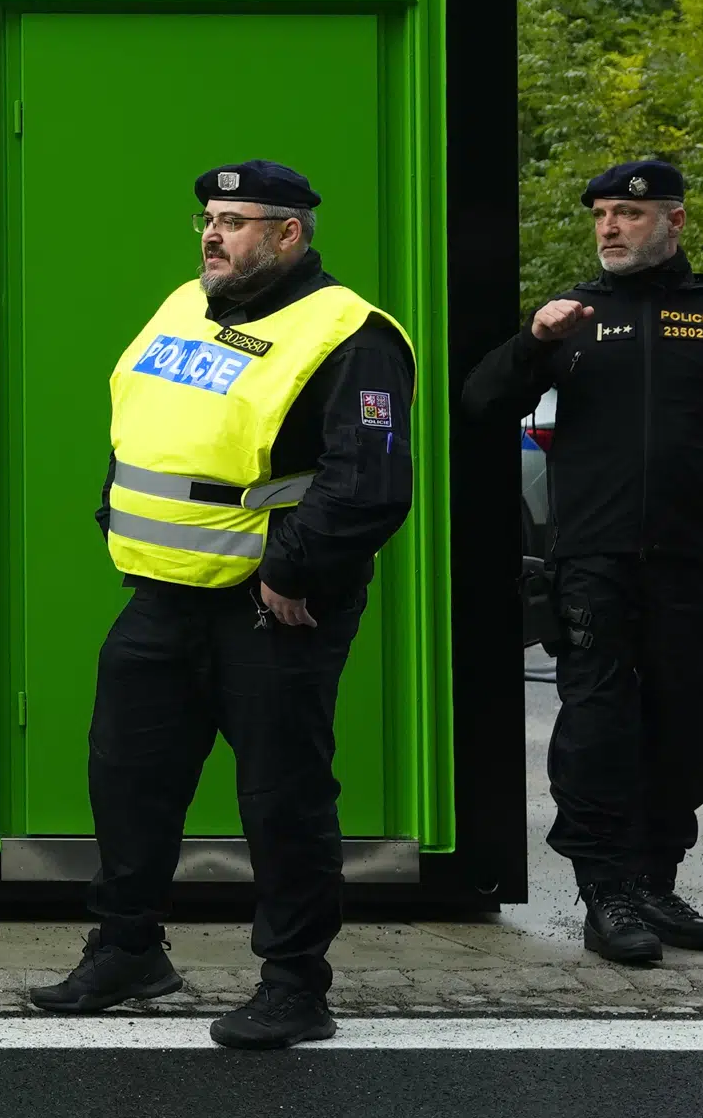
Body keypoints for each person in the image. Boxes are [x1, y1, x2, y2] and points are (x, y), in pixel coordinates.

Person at [25, 162, 414, 1051]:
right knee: (128, 778)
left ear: (290, 235)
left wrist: (295, 572)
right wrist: (114, 515)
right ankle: (128, 950)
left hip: (272, 608)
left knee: (282, 799)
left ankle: (293, 985)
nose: (212, 235)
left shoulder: (351, 334)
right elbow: (145, 426)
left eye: (236, 221)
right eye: (208, 218)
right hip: (161, 595)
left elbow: (370, 483)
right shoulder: (183, 304)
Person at [462, 158, 703, 964]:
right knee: (599, 729)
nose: (610, 226)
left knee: (687, 721)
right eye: (602, 214)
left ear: (674, 222)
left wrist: (702, 486)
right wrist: (530, 344)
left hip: (690, 561)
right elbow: (478, 403)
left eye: (629, 214)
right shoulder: (572, 320)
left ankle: (655, 882)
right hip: (593, 565)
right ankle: (605, 892)